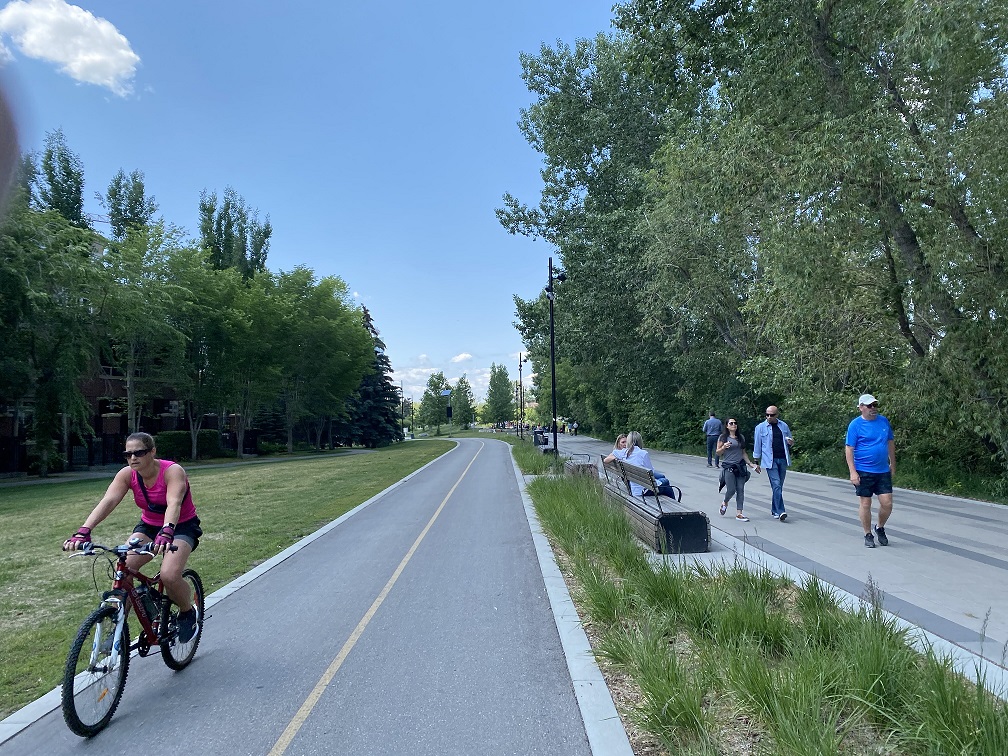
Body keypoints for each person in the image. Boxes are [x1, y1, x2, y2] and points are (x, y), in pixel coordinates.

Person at [63, 432, 203, 641]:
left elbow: (174, 502)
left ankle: (187, 612)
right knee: (124, 569)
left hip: (180, 526)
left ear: (152, 452)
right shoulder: (127, 474)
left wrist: (167, 531)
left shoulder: (172, 471)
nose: (133, 458)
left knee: (169, 575)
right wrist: (84, 530)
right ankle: (118, 627)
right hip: (148, 525)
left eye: (138, 452)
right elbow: (108, 501)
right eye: (128, 454)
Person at [845, 394, 896, 548]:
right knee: (865, 503)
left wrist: (893, 463)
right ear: (861, 407)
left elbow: (890, 442)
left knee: (887, 503)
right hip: (863, 469)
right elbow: (849, 449)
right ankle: (868, 534)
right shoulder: (855, 425)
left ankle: (879, 527)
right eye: (869, 406)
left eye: (875, 405)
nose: (873, 408)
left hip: (882, 470)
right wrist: (853, 472)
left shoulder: (883, 421)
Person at [753, 405, 795, 522]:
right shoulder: (760, 427)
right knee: (776, 485)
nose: (769, 417)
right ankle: (781, 511)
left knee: (778, 486)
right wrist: (756, 461)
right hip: (769, 461)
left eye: (772, 415)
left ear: (777, 415)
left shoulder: (783, 426)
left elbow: (790, 441)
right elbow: (757, 444)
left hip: (782, 458)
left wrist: (791, 442)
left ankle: (774, 509)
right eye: (767, 415)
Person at [605, 431, 676, 497]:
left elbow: (605, 460)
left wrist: (618, 459)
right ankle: (675, 504)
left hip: (634, 490)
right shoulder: (643, 453)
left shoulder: (623, 452)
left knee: (663, 482)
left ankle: (673, 504)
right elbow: (651, 471)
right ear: (640, 441)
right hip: (644, 490)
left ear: (629, 441)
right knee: (665, 482)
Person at [717, 418, 758, 521]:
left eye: (735, 423)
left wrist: (750, 464)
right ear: (727, 426)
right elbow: (718, 452)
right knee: (731, 490)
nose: (734, 425)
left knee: (740, 490)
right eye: (731, 423)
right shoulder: (723, 437)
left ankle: (739, 513)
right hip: (729, 467)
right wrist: (724, 447)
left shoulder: (741, 437)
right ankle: (725, 502)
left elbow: (743, 453)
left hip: (740, 467)